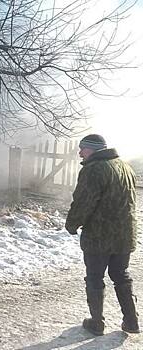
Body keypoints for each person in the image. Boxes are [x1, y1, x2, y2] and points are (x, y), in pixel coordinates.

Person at [65, 134, 140, 336]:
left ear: (91, 149)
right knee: (121, 275)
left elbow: (84, 201)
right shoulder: (125, 167)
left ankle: (97, 322)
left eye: (82, 148)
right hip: (124, 235)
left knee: (95, 277)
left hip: (99, 236)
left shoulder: (93, 169)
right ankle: (131, 321)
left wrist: (72, 224)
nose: (80, 153)